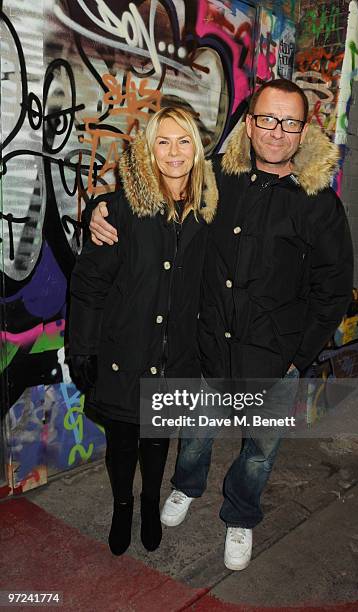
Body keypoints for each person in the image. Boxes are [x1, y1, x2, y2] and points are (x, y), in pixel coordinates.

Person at [88, 79, 354, 570]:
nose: (277, 132)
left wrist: (299, 355)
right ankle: (187, 488)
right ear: (249, 125)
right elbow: (155, 186)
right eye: (267, 119)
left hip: (274, 358)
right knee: (196, 437)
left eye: (289, 122)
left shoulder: (320, 204)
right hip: (207, 346)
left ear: (302, 131)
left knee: (258, 451)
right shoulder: (217, 179)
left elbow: (333, 289)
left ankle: (240, 514)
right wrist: (98, 209)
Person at [68, 106, 218, 557]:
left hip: (176, 358)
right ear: (150, 151)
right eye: (163, 142)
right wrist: (83, 350)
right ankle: (122, 506)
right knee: (122, 441)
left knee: (157, 440)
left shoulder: (210, 211)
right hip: (124, 352)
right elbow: (90, 284)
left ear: (197, 150)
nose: (174, 152)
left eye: (184, 141)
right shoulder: (120, 209)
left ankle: (150, 505)